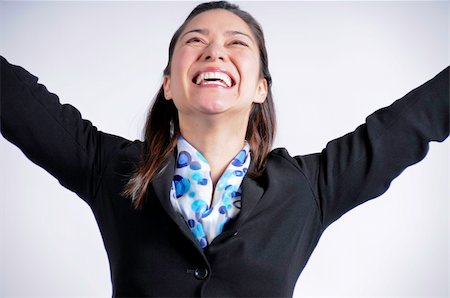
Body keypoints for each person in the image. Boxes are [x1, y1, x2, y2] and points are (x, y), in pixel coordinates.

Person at [1, 1, 448, 297]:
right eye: (195, 40)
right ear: (169, 85)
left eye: (237, 43)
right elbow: (14, 100)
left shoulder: (307, 188)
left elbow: (412, 121)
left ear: (259, 88)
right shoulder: (110, 168)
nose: (215, 51)